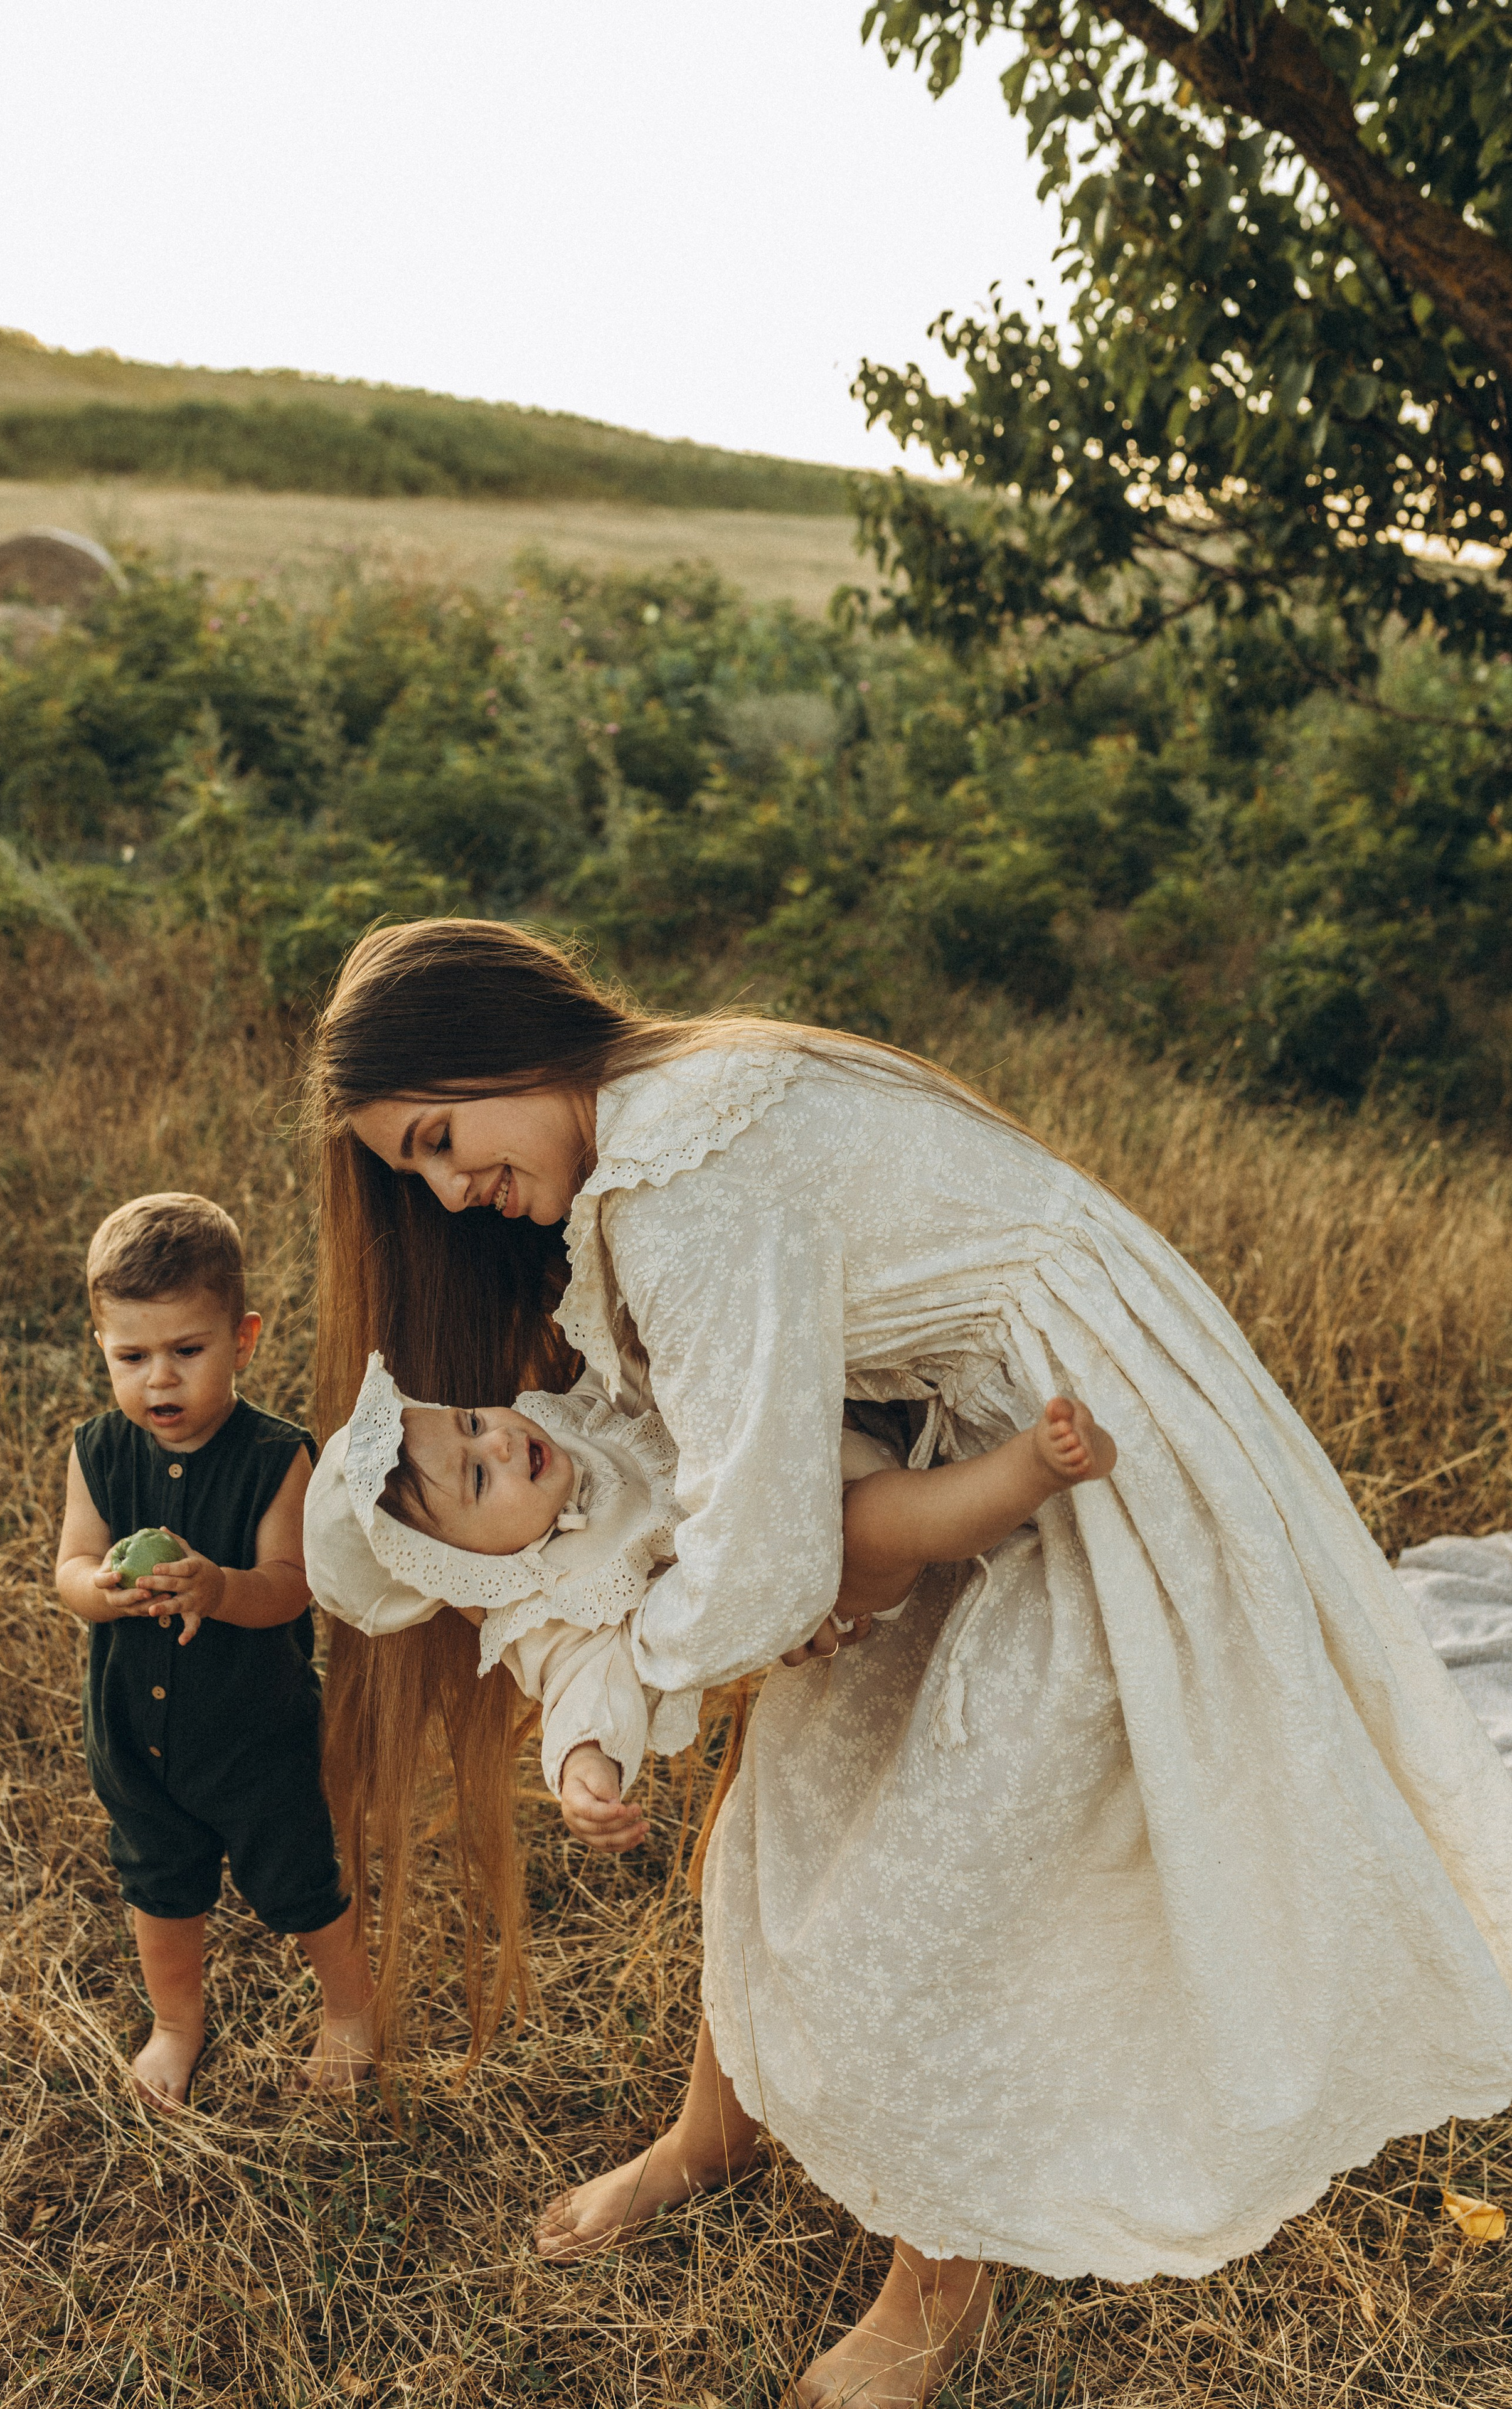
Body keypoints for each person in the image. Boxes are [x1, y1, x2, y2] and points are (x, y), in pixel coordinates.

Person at [307, 919, 1512, 2409]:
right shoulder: (666, 1112)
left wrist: (655, 1651)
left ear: (501, 1042)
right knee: (792, 1794)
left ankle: (933, 2291)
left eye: (439, 1139)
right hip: (974, 1443)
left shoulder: (683, 1178)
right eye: (414, 1171)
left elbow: (760, 1560)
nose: (447, 1190)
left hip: (1086, 1455)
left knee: (943, 1882)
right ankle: (714, 2127)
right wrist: (788, 1596)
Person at [302, 1353, 1117, 1856]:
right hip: (823, 1563)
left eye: (472, 1421)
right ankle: (1031, 1471)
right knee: (882, 1522)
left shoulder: (566, 1425)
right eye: (479, 1477)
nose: (501, 1442)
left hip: (812, 1440)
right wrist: (585, 1770)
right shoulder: (552, 1612)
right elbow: (584, 1694)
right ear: (462, 1571)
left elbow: (626, 1375)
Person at [55, 1193, 373, 2108]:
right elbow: (70, 1570)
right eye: (132, 1357)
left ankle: (352, 2011)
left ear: (244, 1339)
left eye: (187, 1351)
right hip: (134, 1738)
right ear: (102, 1348)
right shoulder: (98, 1451)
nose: (160, 1380)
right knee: (160, 1887)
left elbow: (292, 1584)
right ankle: (176, 2025)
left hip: (254, 1738)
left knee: (300, 1882)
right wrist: (103, 1590)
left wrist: (219, 1589)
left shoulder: (277, 1457)